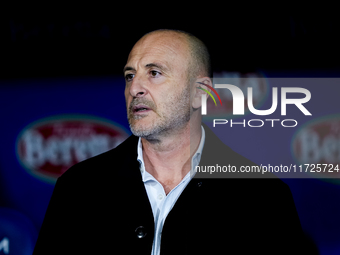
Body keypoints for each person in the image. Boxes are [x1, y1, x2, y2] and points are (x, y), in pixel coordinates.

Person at [33, 29, 305, 254]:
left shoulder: (264, 198)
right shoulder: (79, 188)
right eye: (130, 76)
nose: (135, 88)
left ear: (201, 94)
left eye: (154, 73)